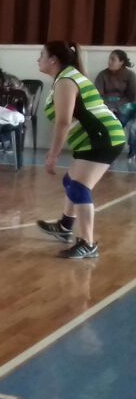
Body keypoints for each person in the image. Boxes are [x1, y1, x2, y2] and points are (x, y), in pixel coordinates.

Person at [35, 41, 125, 259]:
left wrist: (53, 154)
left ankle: (87, 243)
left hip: (102, 138)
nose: (38, 59)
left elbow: (63, 122)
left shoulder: (66, 80)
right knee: (71, 182)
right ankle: (65, 226)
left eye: (42, 55)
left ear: (53, 60)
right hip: (95, 139)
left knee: (79, 187)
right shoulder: (65, 78)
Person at [95, 50, 135, 122]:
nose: (109, 62)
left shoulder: (130, 75)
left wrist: (116, 106)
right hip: (105, 104)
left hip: (124, 104)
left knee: (122, 118)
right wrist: (108, 106)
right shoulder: (102, 75)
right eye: (109, 59)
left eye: (113, 59)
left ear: (121, 62)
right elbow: (97, 95)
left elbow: (132, 96)